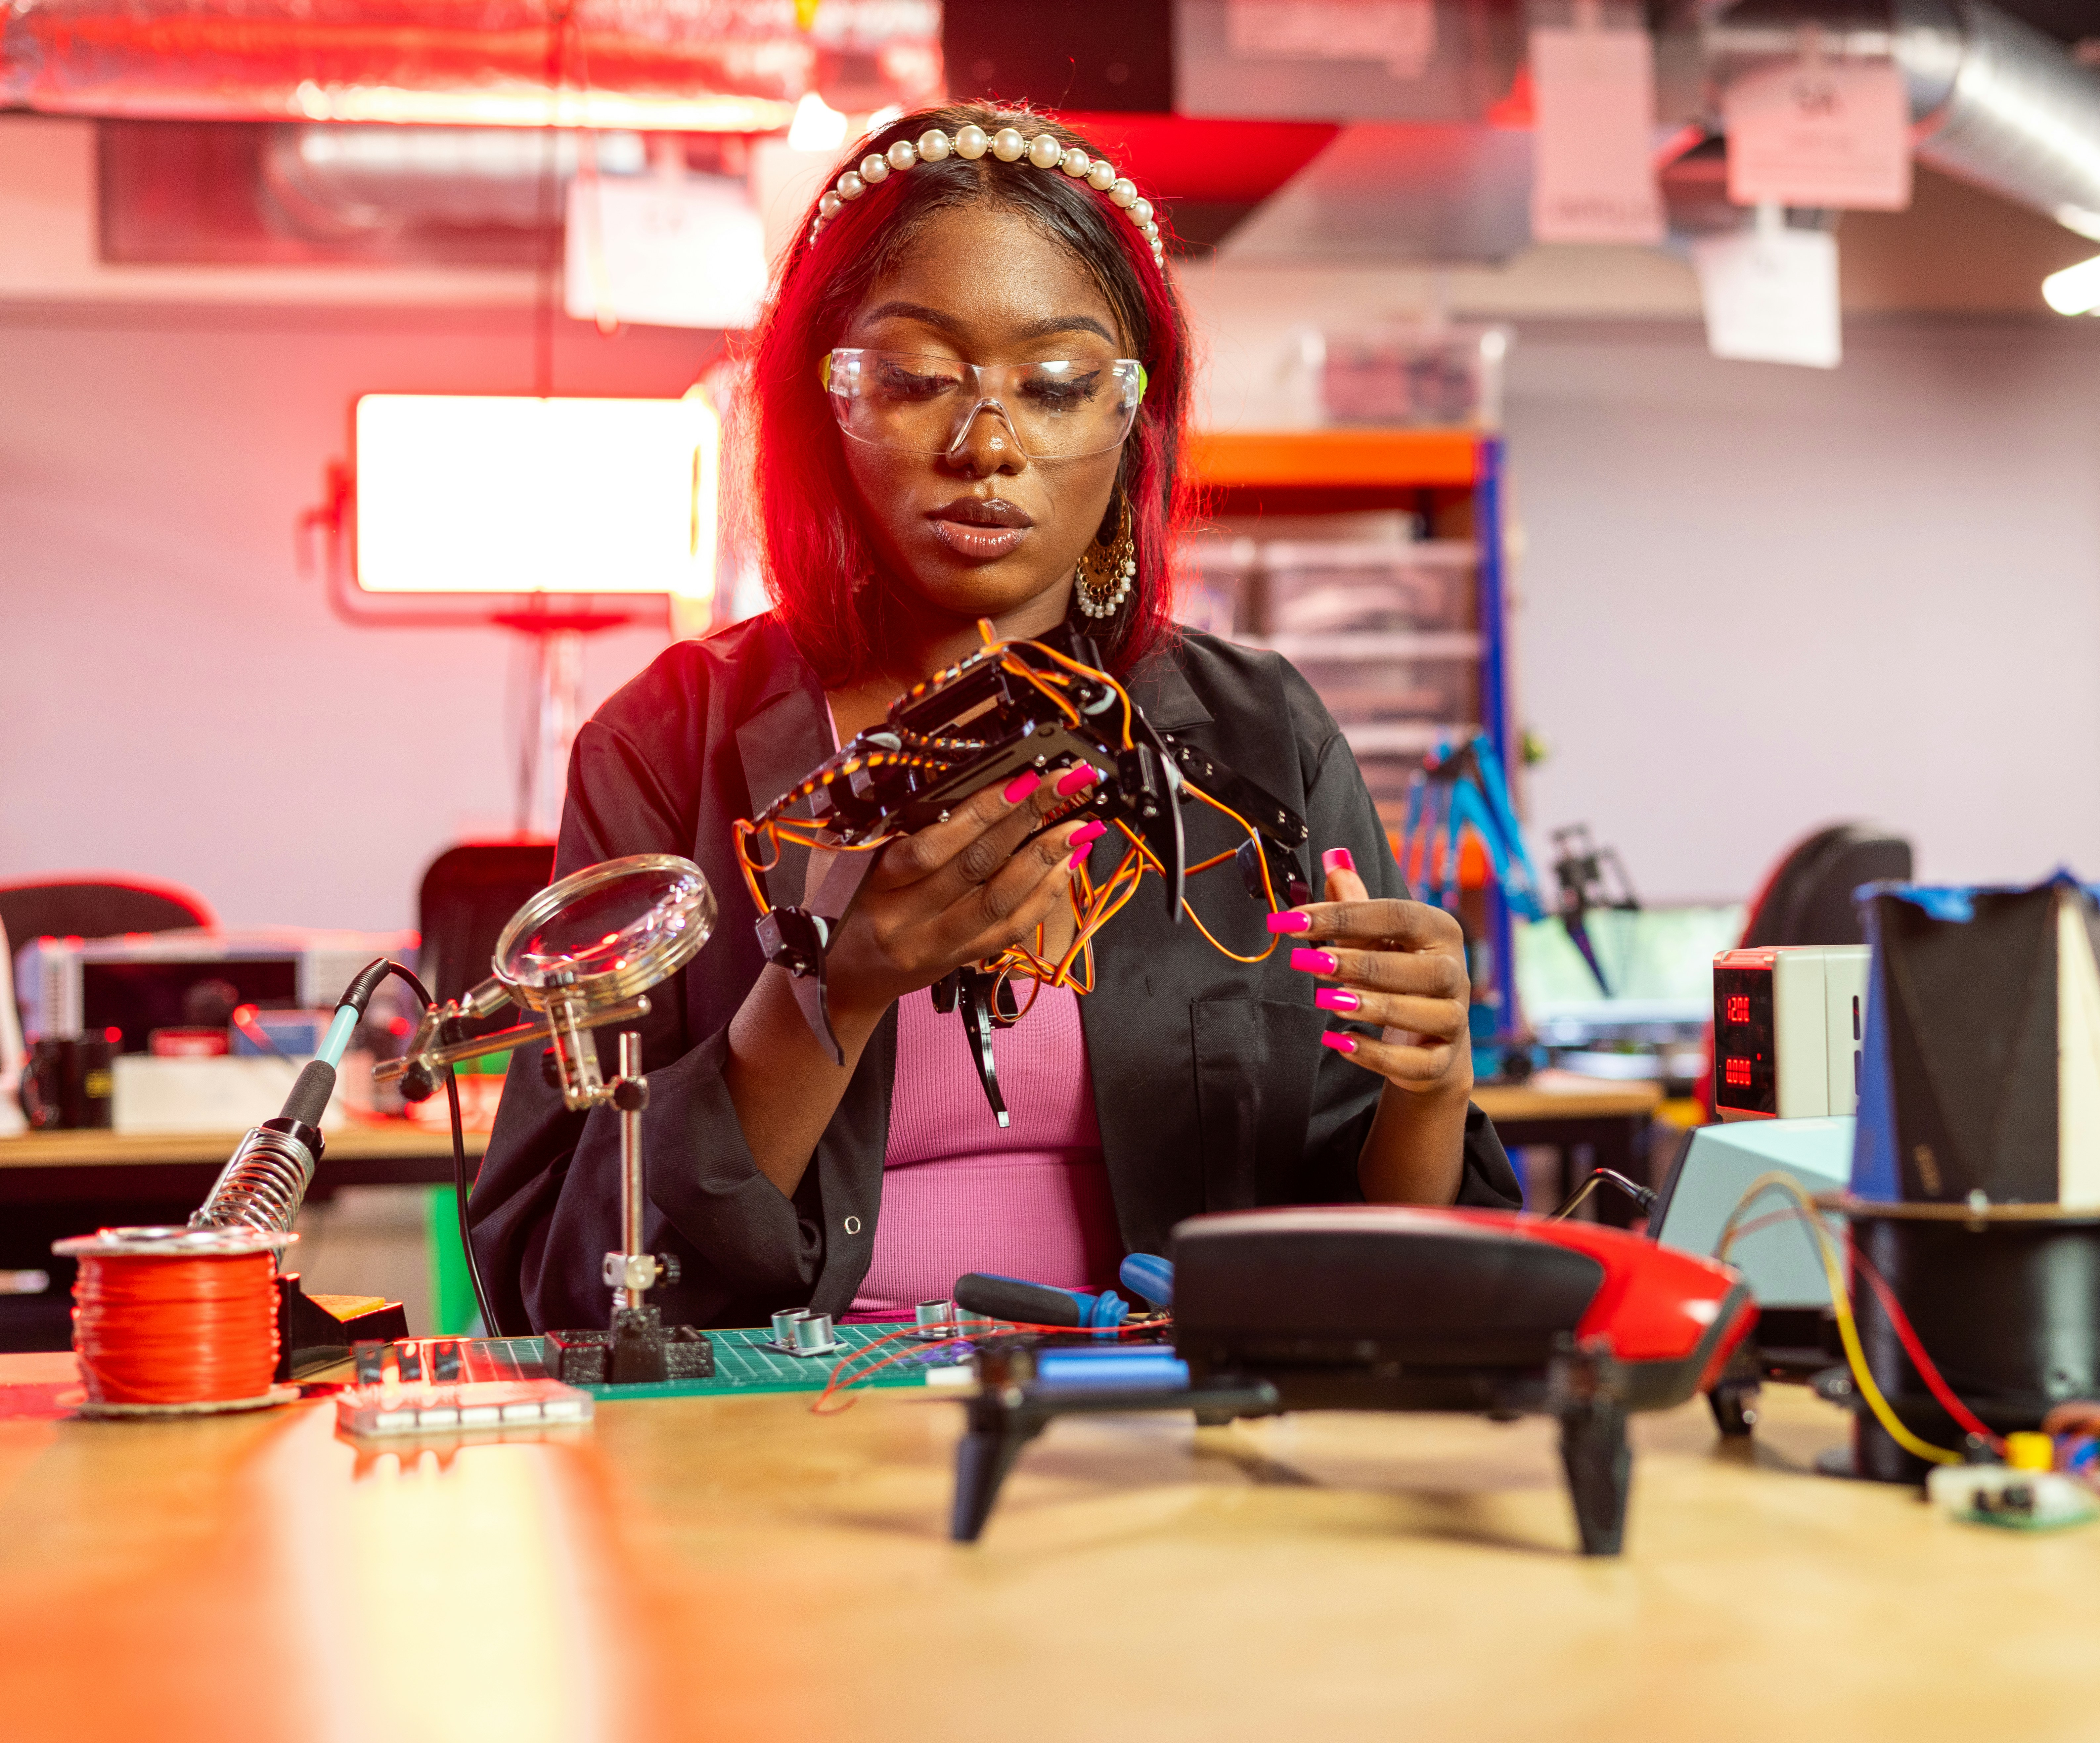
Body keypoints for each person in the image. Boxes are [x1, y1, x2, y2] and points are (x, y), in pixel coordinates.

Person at [470, 102, 1518, 1333]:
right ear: (827, 404)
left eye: (1059, 385)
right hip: (789, 1442)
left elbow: (1363, 1253)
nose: (989, 445)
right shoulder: (666, 747)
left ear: (1132, 423)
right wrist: (837, 987)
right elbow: (560, 1279)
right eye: (916, 380)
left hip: (1169, 1426)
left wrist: (1432, 1088)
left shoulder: (1257, 736)